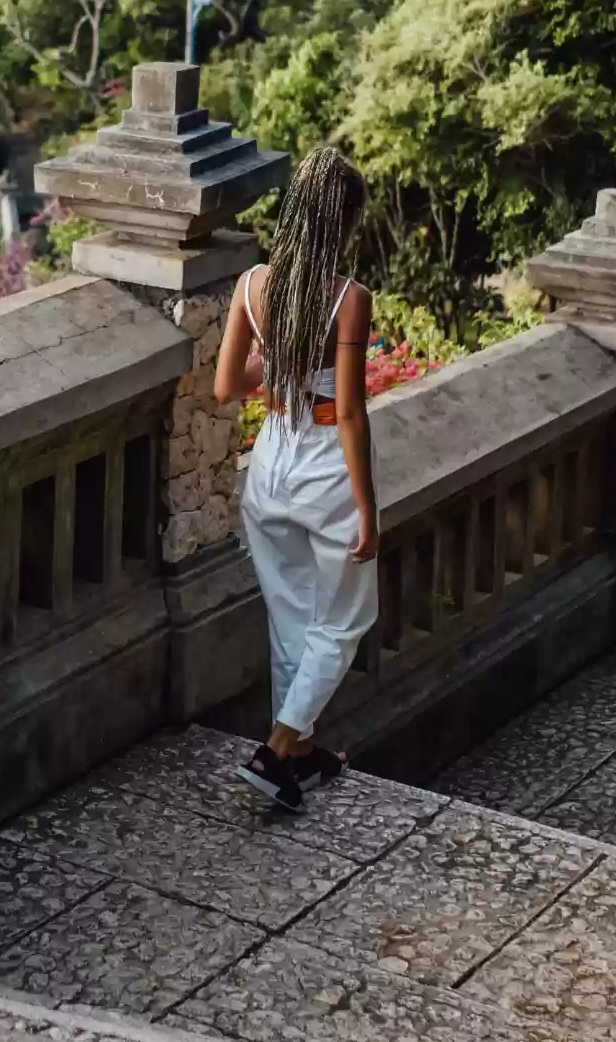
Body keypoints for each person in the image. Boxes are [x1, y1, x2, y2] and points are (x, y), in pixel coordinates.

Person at [213, 145, 379, 813]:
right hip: (324, 474)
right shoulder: (349, 299)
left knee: (292, 620)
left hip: (270, 469)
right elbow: (352, 415)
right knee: (343, 620)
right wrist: (367, 509)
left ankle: (300, 758)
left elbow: (228, 386)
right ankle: (276, 747)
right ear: (343, 225)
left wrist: (273, 362)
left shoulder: (253, 285)